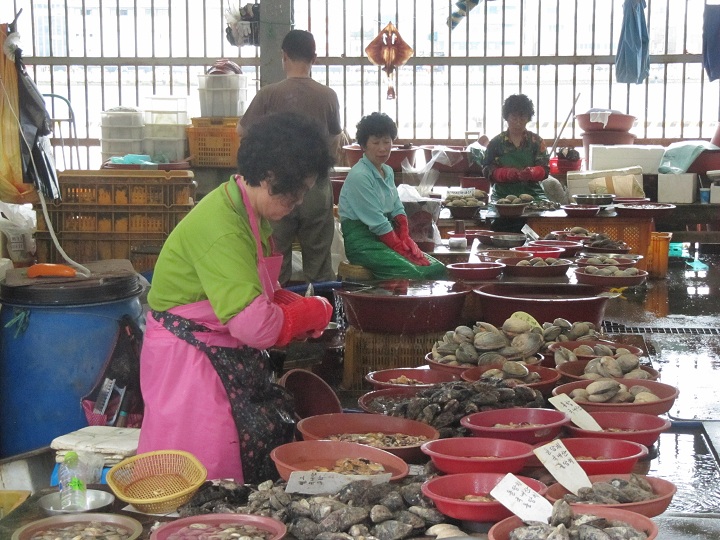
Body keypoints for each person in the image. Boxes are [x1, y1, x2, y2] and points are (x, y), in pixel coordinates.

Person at [138, 112, 334, 484]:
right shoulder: (224, 227)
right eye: (299, 190)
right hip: (191, 360)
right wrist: (306, 313)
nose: (302, 200)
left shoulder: (246, 209)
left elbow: (249, 293)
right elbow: (254, 326)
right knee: (202, 472)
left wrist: (286, 307)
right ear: (272, 177)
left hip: (216, 348)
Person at [238, 29, 342, 286]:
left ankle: (280, 317)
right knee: (318, 262)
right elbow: (335, 141)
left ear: (283, 56)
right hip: (316, 188)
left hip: (277, 188)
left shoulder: (269, 94)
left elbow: (242, 133)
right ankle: (323, 316)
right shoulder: (328, 96)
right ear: (314, 59)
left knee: (276, 258)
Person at [338, 112, 446, 280]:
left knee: (438, 268)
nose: (382, 148)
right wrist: (400, 248)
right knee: (416, 274)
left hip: (387, 237)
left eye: (387, 142)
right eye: (375, 142)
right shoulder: (359, 175)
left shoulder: (387, 171)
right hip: (364, 245)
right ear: (363, 146)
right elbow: (377, 223)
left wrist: (405, 236)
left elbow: (396, 206)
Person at [482, 94, 550, 231]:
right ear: (506, 117)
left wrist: (532, 173)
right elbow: (487, 169)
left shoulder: (536, 141)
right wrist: (506, 174)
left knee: (541, 226)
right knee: (498, 226)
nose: (518, 122)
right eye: (514, 117)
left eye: (522, 117)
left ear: (528, 118)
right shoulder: (496, 143)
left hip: (534, 196)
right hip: (503, 197)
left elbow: (545, 169)